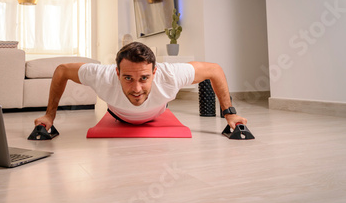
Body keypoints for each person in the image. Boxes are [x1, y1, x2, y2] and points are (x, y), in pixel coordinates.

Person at [34, 42, 247, 131]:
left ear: (155, 72)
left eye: (144, 78)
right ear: (117, 73)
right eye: (128, 78)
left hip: (157, 112)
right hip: (119, 116)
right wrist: (49, 116)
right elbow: (62, 70)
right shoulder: (102, 75)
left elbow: (215, 70)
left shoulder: (170, 75)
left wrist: (230, 113)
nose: (136, 88)